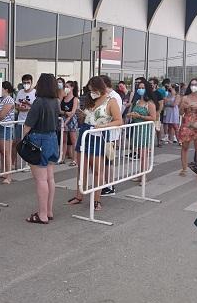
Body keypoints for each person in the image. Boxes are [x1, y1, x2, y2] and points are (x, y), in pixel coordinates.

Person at [68, 76, 122, 210]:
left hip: (99, 135)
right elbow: (87, 116)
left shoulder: (111, 101)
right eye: (90, 90)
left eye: (94, 90)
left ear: (100, 88)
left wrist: (104, 126)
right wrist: (82, 116)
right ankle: (79, 195)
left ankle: (97, 200)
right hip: (85, 133)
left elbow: (119, 120)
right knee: (82, 168)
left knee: (98, 170)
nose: (92, 92)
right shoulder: (90, 99)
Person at [23, 73, 60, 224]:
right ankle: (48, 211)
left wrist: (24, 140)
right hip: (52, 139)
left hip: (38, 139)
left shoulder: (39, 102)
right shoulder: (55, 101)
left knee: (40, 180)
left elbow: (27, 125)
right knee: (49, 178)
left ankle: (42, 214)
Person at [127, 80, 157, 183]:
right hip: (136, 129)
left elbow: (153, 117)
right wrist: (131, 115)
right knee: (140, 154)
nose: (140, 89)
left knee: (144, 155)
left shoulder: (150, 103)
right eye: (139, 87)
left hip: (145, 130)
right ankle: (141, 174)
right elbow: (132, 113)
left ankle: (144, 176)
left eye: (143, 88)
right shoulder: (137, 102)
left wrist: (140, 116)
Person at [0, 81, 16, 184]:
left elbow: (2, 115)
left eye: (0, 88)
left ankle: (9, 175)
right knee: (2, 151)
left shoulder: (9, 100)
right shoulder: (1, 100)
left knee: (6, 151)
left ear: (6, 89)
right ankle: (4, 171)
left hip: (6, 127)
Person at [59, 80, 79, 166]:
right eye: (65, 86)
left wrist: (66, 121)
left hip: (71, 120)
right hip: (63, 119)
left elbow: (73, 112)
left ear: (72, 88)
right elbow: (59, 109)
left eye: (68, 86)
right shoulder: (63, 98)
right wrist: (65, 113)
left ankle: (75, 159)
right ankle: (62, 157)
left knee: (73, 140)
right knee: (63, 140)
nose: (66, 88)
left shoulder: (75, 99)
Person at [15, 74, 36, 141]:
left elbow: (37, 107)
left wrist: (29, 107)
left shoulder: (35, 93)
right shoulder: (20, 92)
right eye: (24, 82)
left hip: (31, 122)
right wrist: (20, 108)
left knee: (30, 141)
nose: (26, 84)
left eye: (28, 82)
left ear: (31, 83)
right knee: (18, 141)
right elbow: (17, 105)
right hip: (20, 121)